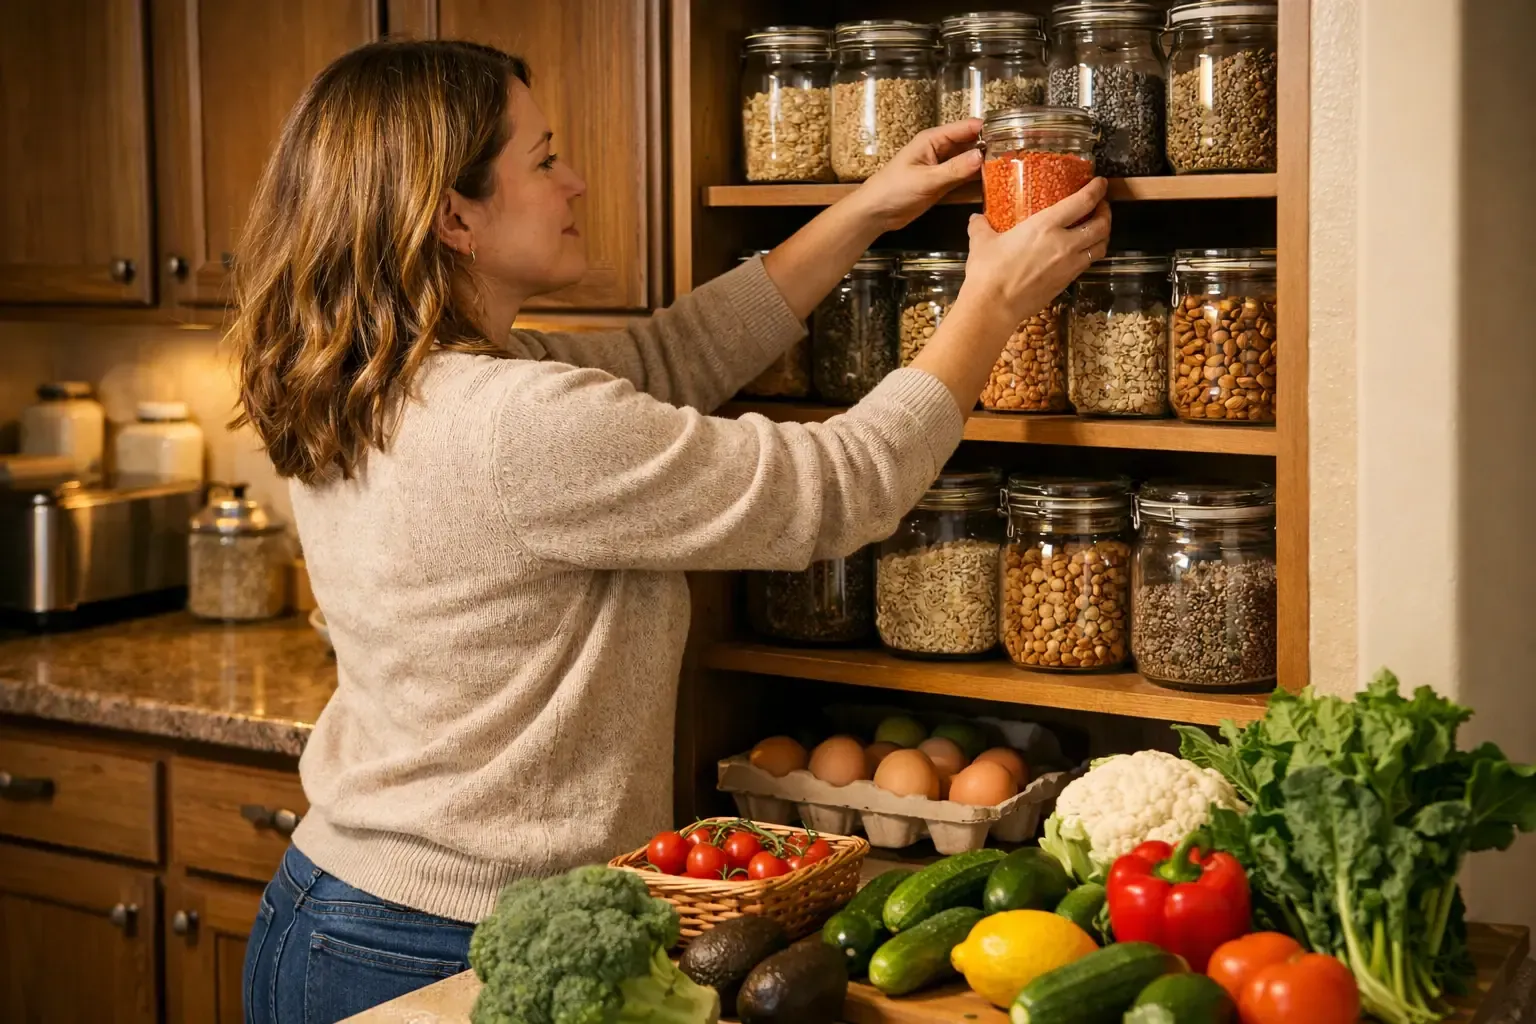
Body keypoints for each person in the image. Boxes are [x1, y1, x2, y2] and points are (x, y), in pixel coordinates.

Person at [234, 39, 1110, 1022]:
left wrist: (866, 208)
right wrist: (990, 302)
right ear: (454, 215)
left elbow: (670, 354)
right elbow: (839, 487)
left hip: (344, 902)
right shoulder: (513, 421)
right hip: (428, 944)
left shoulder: (393, 375)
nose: (574, 181)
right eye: (544, 157)